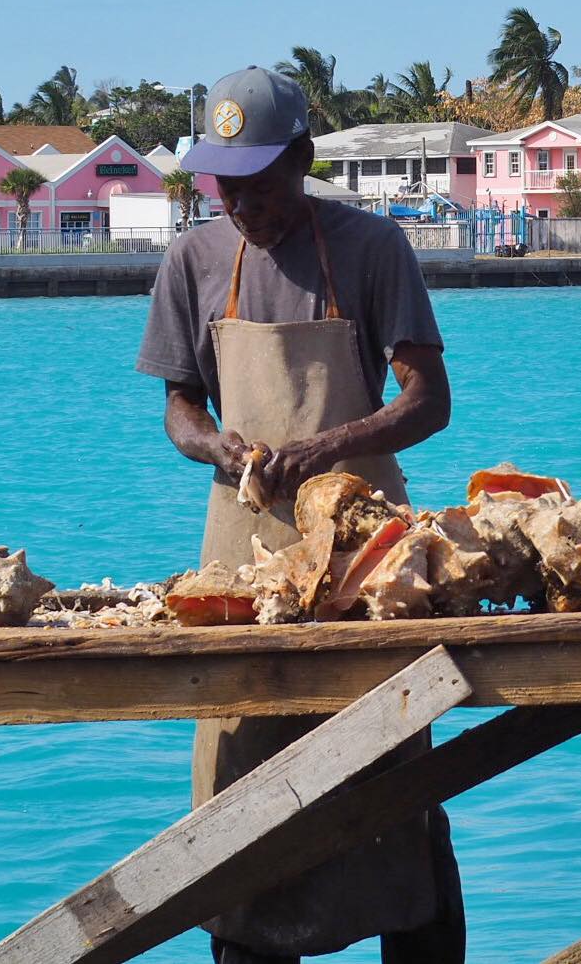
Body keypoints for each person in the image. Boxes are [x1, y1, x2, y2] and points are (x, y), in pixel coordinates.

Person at [136, 65, 464, 964]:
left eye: (263, 186)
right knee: (240, 780)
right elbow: (178, 408)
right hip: (242, 563)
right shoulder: (194, 261)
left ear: (305, 161)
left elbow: (429, 401)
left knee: (393, 780)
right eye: (227, 188)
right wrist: (218, 448)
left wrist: (324, 451)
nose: (244, 207)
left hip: (370, 565)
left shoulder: (371, 250)